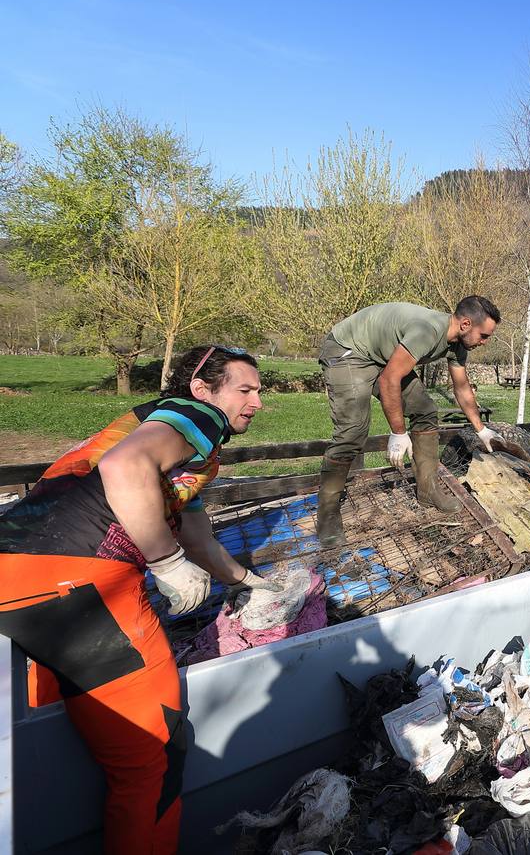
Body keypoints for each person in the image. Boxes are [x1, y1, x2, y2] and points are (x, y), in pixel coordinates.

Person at [0, 345, 277, 853]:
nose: (257, 402)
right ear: (202, 389)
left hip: (17, 577)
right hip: (79, 584)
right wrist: (165, 561)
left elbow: (196, 535)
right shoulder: (198, 416)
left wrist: (247, 582)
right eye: (246, 389)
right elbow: (127, 468)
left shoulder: (168, 443)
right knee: (155, 753)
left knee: (44, 728)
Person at [316, 296, 501, 547]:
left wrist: (482, 430)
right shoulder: (427, 331)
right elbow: (389, 380)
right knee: (352, 431)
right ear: (466, 324)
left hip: (382, 356)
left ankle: (428, 490)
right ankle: (327, 516)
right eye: (484, 336)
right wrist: (398, 433)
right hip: (348, 351)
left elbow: (462, 388)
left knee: (425, 410)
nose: (485, 342)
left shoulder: (458, 344)